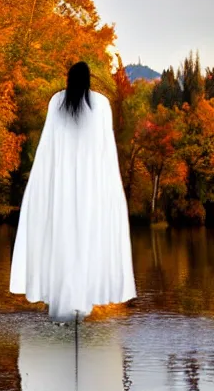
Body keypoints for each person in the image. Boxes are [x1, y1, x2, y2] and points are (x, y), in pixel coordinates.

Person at [9, 61, 136, 322]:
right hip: (91, 189)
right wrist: (108, 189)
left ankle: (63, 302)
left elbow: (48, 149)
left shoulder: (57, 102)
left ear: (68, 79)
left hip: (61, 190)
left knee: (62, 240)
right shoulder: (100, 104)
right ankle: (81, 302)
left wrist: (43, 188)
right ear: (88, 80)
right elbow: (105, 150)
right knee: (86, 240)